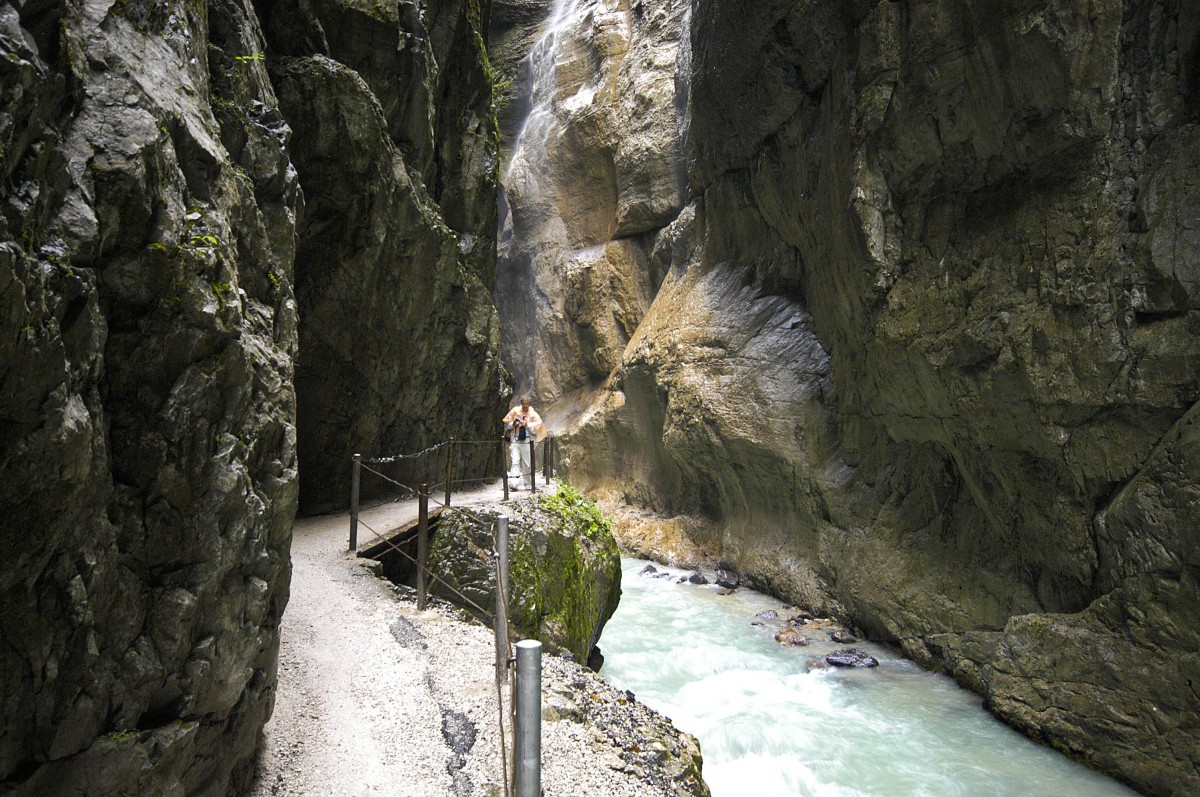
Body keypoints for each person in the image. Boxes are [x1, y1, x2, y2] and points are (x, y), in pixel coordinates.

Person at [502, 396, 543, 490]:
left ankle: (528, 483)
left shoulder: (533, 414)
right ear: (521, 403)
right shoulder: (515, 411)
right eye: (523, 403)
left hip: (527, 441)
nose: (525, 405)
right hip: (515, 439)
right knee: (515, 461)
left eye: (527, 403)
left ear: (529, 404)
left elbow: (537, 429)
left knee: (526, 462)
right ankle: (514, 483)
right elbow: (508, 425)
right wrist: (513, 424)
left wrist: (527, 424)